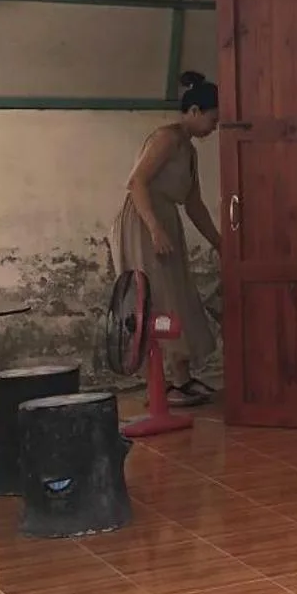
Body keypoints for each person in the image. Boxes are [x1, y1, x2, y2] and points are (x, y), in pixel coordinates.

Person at [112, 72, 222, 407]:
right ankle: (159, 380)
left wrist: (219, 241)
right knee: (154, 296)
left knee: (177, 292)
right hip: (143, 220)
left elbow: (194, 203)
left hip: (164, 219)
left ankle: (181, 378)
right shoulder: (167, 138)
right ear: (193, 111)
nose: (214, 128)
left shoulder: (189, 150)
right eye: (212, 119)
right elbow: (136, 183)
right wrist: (155, 227)